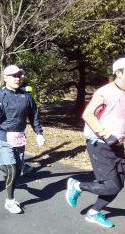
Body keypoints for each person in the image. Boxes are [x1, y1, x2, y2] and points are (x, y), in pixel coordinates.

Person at [0, 64, 45, 214]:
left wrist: (38, 133)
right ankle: (10, 201)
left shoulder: (26, 96)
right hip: (3, 137)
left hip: (19, 138)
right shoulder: (0, 95)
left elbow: (34, 115)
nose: (18, 78)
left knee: (17, 171)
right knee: (11, 169)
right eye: (14, 75)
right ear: (5, 78)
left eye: (19, 75)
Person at [65, 57, 125, 228]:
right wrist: (106, 135)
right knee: (111, 186)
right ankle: (77, 186)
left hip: (118, 145)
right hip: (100, 143)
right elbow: (88, 115)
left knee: (118, 185)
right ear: (118, 73)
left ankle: (93, 212)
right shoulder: (105, 92)